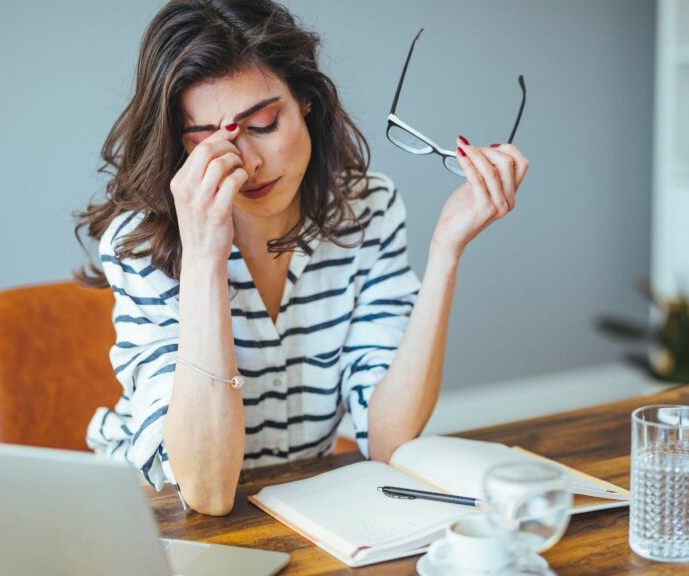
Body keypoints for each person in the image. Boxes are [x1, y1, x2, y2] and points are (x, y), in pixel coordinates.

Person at [76, 0, 528, 516]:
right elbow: (206, 491)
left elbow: (388, 441)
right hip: (149, 511)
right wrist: (204, 256)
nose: (247, 162)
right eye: (208, 141)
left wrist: (446, 253)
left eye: (265, 123)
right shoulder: (141, 244)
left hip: (294, 506)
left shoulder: (367, 211)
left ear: (307, 103)